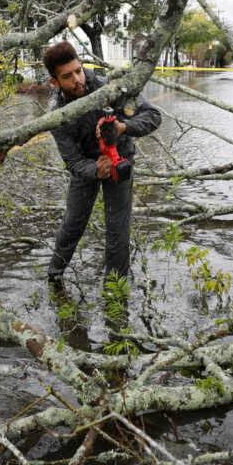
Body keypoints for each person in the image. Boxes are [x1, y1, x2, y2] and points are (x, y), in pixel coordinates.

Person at [42, 41, 161, 287]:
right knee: (72, 224)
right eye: (68, 76)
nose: (78, 79)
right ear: (55, 82)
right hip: (87, 168)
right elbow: (72, 161)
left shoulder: (110, 88)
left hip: (121, 162)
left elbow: (153, 116)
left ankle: (115, 292)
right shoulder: (56, 115)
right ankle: (54, 276)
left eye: (78, 70)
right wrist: (95, 169)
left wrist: (124, 127)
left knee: (118, 231)